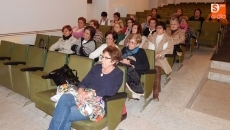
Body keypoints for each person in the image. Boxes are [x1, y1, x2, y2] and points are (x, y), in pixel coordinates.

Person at [48, 46, 123, 130]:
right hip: (84, 95)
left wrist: (93, 93)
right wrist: (80, 91)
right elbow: (84, 82)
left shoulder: (118, 74)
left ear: (114, 61)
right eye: (102, 56)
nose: (102, 59)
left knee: (64, 113)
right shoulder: (97, 68)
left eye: (106, 58)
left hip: (96, 103)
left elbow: (111, 91)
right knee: (65, 98)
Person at [142, 21, 173, 100]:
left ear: (164, 30)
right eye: (157, 28)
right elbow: (144, 47)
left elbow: (170, 50)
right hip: (150, 57)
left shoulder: (168, 38)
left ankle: (155, 93)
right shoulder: (151, 36)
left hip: (161, 59)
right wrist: (150, 54)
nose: (158, 29)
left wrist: (158, 54)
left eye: (160, 28)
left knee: (156, 68)